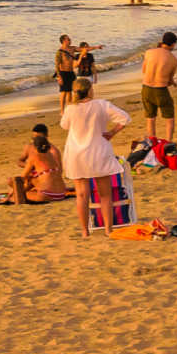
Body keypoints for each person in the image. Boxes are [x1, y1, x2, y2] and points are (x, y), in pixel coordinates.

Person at [60, 78, 130, 238]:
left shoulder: (71, 109)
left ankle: (85, 231)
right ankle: (108, 229)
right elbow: (125, 118)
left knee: (82, 195)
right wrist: (112, 132)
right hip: (98, 151)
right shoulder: (102, 104)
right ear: (90, 90)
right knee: (105, 194)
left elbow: (64, 125)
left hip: (76, 154)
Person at [6, 130, 70, 204]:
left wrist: (12, 191)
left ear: (34, 146)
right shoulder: (51, 155)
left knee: (14, 196)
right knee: (32, 179)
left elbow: (21, 178)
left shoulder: (34, 157)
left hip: (46, 195)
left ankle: (11, 197)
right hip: (61, 194)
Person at [140, 32, 177, 141]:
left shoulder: (149, 52)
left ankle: (153, 142)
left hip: (146, 88)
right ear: (173, 44)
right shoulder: (174, 60)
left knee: (150, 118)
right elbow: (169, 80)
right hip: (161, 90)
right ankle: (168, 141)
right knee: (169, 118)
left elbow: (144, 70)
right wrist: (173, 83)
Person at [55, 34, 78, 114]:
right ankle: (62, 110)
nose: (70, 40)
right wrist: (59, 77)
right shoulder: (59, 52)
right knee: (63, 92)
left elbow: (83, 49)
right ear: (63, 41)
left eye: (69, 39)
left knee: (70, 91)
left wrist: (96, 47)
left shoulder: (72, 48)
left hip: (71, 73)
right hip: (63, 73)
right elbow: (57, 65)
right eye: (68, 39)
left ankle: (69, 109)